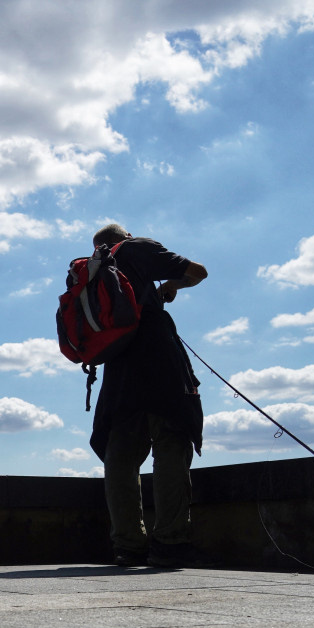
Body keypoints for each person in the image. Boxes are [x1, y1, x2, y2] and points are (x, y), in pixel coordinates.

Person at [87, 222, 214, 568]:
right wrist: (172, 285)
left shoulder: (93, 271)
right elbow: (198, 272)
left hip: (118, 370)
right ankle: (170, 542)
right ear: (125, 237)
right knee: (171, 442)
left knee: (121, 457)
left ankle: (128, 546)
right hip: (158, 362)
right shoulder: (136, 247)